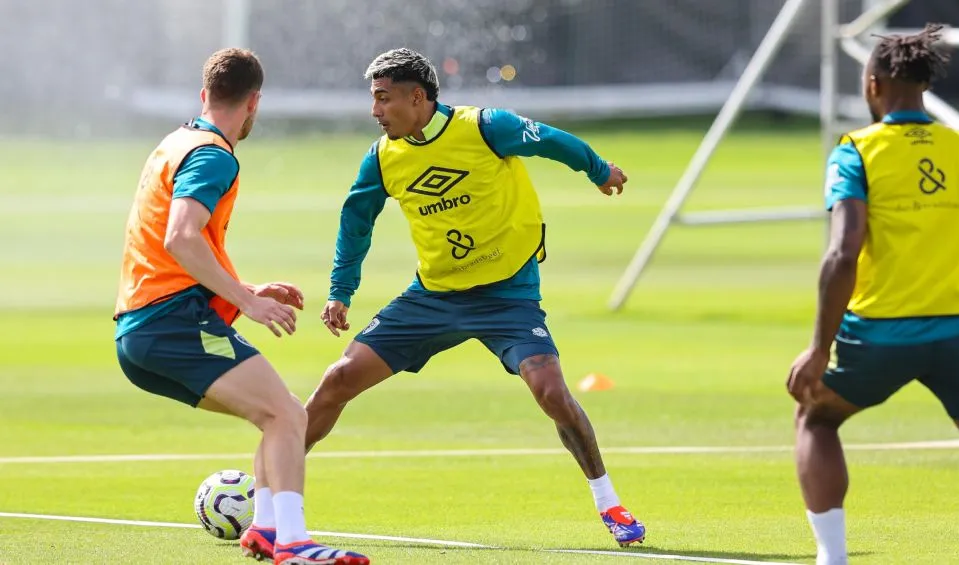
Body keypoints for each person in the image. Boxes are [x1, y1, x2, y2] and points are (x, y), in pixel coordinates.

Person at [302, 48, 646, 547]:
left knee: (551, 392)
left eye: (383, 99)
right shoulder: (382, 157)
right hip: (433, 297)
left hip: (508, 295)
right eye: (372, 99)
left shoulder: (484, 127)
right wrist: (340, 292)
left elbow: (550, 141)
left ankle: (608, 501)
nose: (374, 110)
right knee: (336, 381)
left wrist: (598, 170)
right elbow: (356, 222)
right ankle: (270, 499)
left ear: (416, 97)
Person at [113, 48, 368, 565]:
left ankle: (266, 531)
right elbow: (180, 238)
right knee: (286, 416)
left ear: (204, 94)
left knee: (280, 415)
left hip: (144, 327)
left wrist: (244, 286)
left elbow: (167, 252)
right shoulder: (213, 154)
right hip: (172, 323)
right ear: (255, 103)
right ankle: (294, 544)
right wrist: (245, 300)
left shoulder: (174, 143)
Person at [786, 24, 959, 565]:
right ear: (925, 86)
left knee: (817, 417)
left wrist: (818, 348)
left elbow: (843, 253)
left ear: (873, 85)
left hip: (878, 337)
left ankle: (832, 558)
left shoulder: (856, 152)